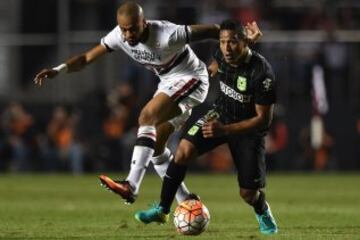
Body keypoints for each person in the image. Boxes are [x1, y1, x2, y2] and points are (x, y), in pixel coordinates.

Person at [34, 2, 262, 205]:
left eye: (133, 28)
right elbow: (85, 58)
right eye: (124, 29)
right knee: (157, 147)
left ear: (144, 22)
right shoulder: (119, 35)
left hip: (193, 79)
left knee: (146, 117)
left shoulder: (168, 34)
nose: (128, 34)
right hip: (168, 84)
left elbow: (214, 29)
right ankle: (187, 202)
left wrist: (242, 37)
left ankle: (131, 185)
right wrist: (57, 69)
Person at [135, 19, 278, 235]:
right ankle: (162, 209)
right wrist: (206, 71)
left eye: (232, 42)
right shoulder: (223, 54)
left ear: (244, 43)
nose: (226, 48)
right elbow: (216, 64)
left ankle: (262, 210)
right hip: (220, 114)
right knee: (183, 152)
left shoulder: (262, 73)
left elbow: (263, 120)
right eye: (222, 42)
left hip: (248, 131)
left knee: (248, 194)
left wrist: (226, 131)